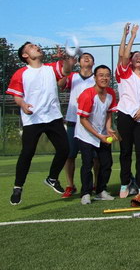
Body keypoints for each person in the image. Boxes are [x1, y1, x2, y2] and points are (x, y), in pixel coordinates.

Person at [7, 43, 73, 205]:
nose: (36, 46)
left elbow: (66, 70)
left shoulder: (51, 68)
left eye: (36, 45)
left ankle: (52, 178)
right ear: (25, 55)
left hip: (53, 117)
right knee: (27, 152)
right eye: (31, 46)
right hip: (33, 119)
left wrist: (64, 58)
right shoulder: (21, 73)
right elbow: (17, 96)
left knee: (64, 149)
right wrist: (23, 105)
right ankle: (18, 187)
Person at [115, 23, 140, 198]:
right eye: (135, 56)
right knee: (125, 151)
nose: (138, 57)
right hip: (125, 116)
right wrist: (130, 36)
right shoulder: (124, 73)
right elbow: (123, 55)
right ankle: (125, 183)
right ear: (130, 60)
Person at [74, 65, 118, 204]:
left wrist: (108, 128)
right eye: (101, 75)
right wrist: (99, 136)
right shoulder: (87, 95)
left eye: (107, 75)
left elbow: (109, 113)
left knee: (107, 163)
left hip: (102, 134)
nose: (104, 78)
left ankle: (100, 191)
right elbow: (83, 120)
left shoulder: (111, 93)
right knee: (87, 164)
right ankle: (85, 193)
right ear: (95, 78)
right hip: (86, 134)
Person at [58, 52, 97, 198]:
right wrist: (66, 66)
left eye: (90, 57)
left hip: (91, 123)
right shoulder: (72, 76)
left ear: (93, 62)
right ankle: (70, 185)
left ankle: (96, 183)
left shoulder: (97, 78)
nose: (87, 58)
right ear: (79, 62)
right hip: (73, 121)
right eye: (83, 57)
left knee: (95, 157)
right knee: (70, 155)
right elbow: (61, 84)